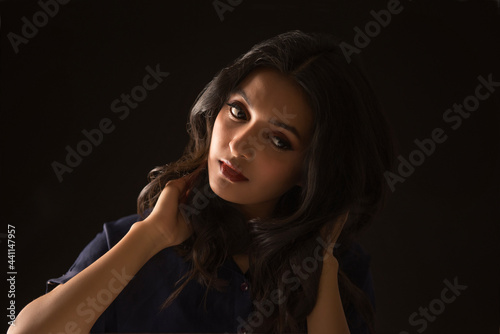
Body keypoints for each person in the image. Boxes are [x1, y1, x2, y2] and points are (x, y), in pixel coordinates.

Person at [9, 30, 394, 334]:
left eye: (279, 140)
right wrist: (150, 236)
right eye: (238, 111)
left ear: (312, 168)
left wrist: (321, 263)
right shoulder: (135, 244)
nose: (239, 144)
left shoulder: (341, 270)